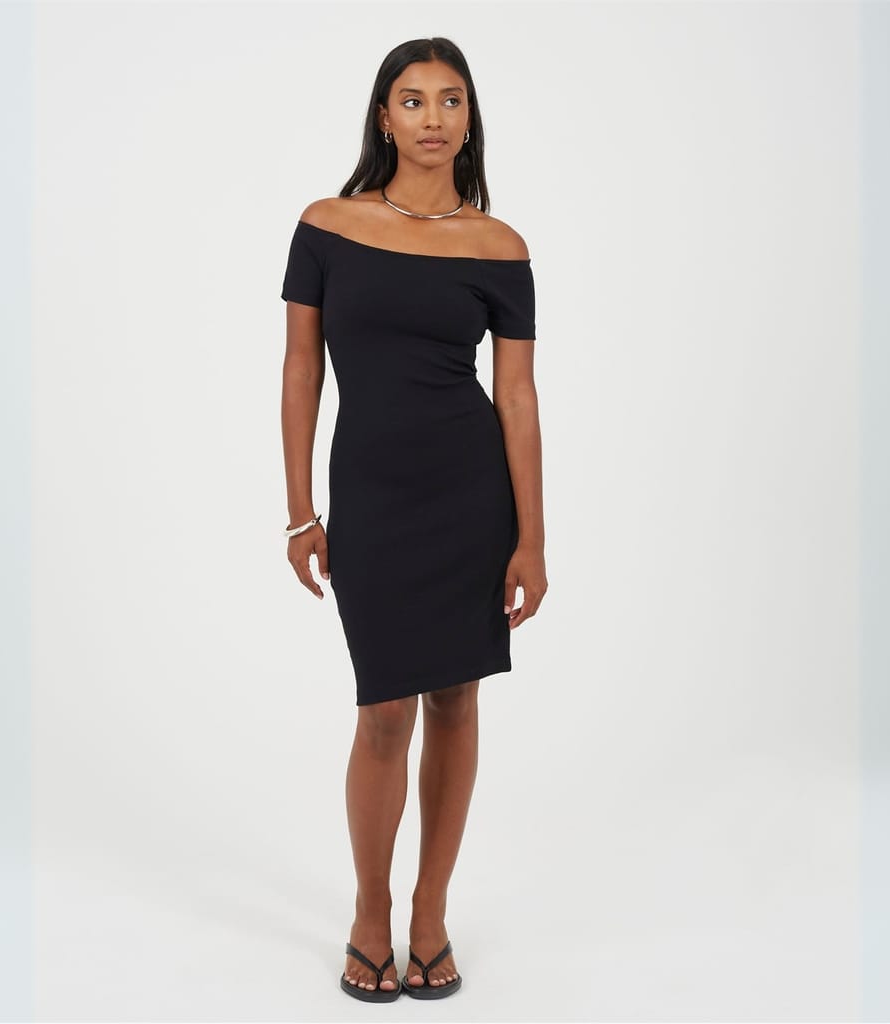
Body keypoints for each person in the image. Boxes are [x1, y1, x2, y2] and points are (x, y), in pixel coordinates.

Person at [280, 37, 547, 1002]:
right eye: (412, 99)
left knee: (457, 700)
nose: (433, 117)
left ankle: (429, 913)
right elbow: (301, 369)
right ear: (383, 117)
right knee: (384, 707)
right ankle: (370, 909)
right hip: (372, 495)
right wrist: (300, 513)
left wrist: (532, 537)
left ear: (469, 120)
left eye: (450, 100)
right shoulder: (325, 226)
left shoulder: (500, 246)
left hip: (469, 495)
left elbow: (515, 397)